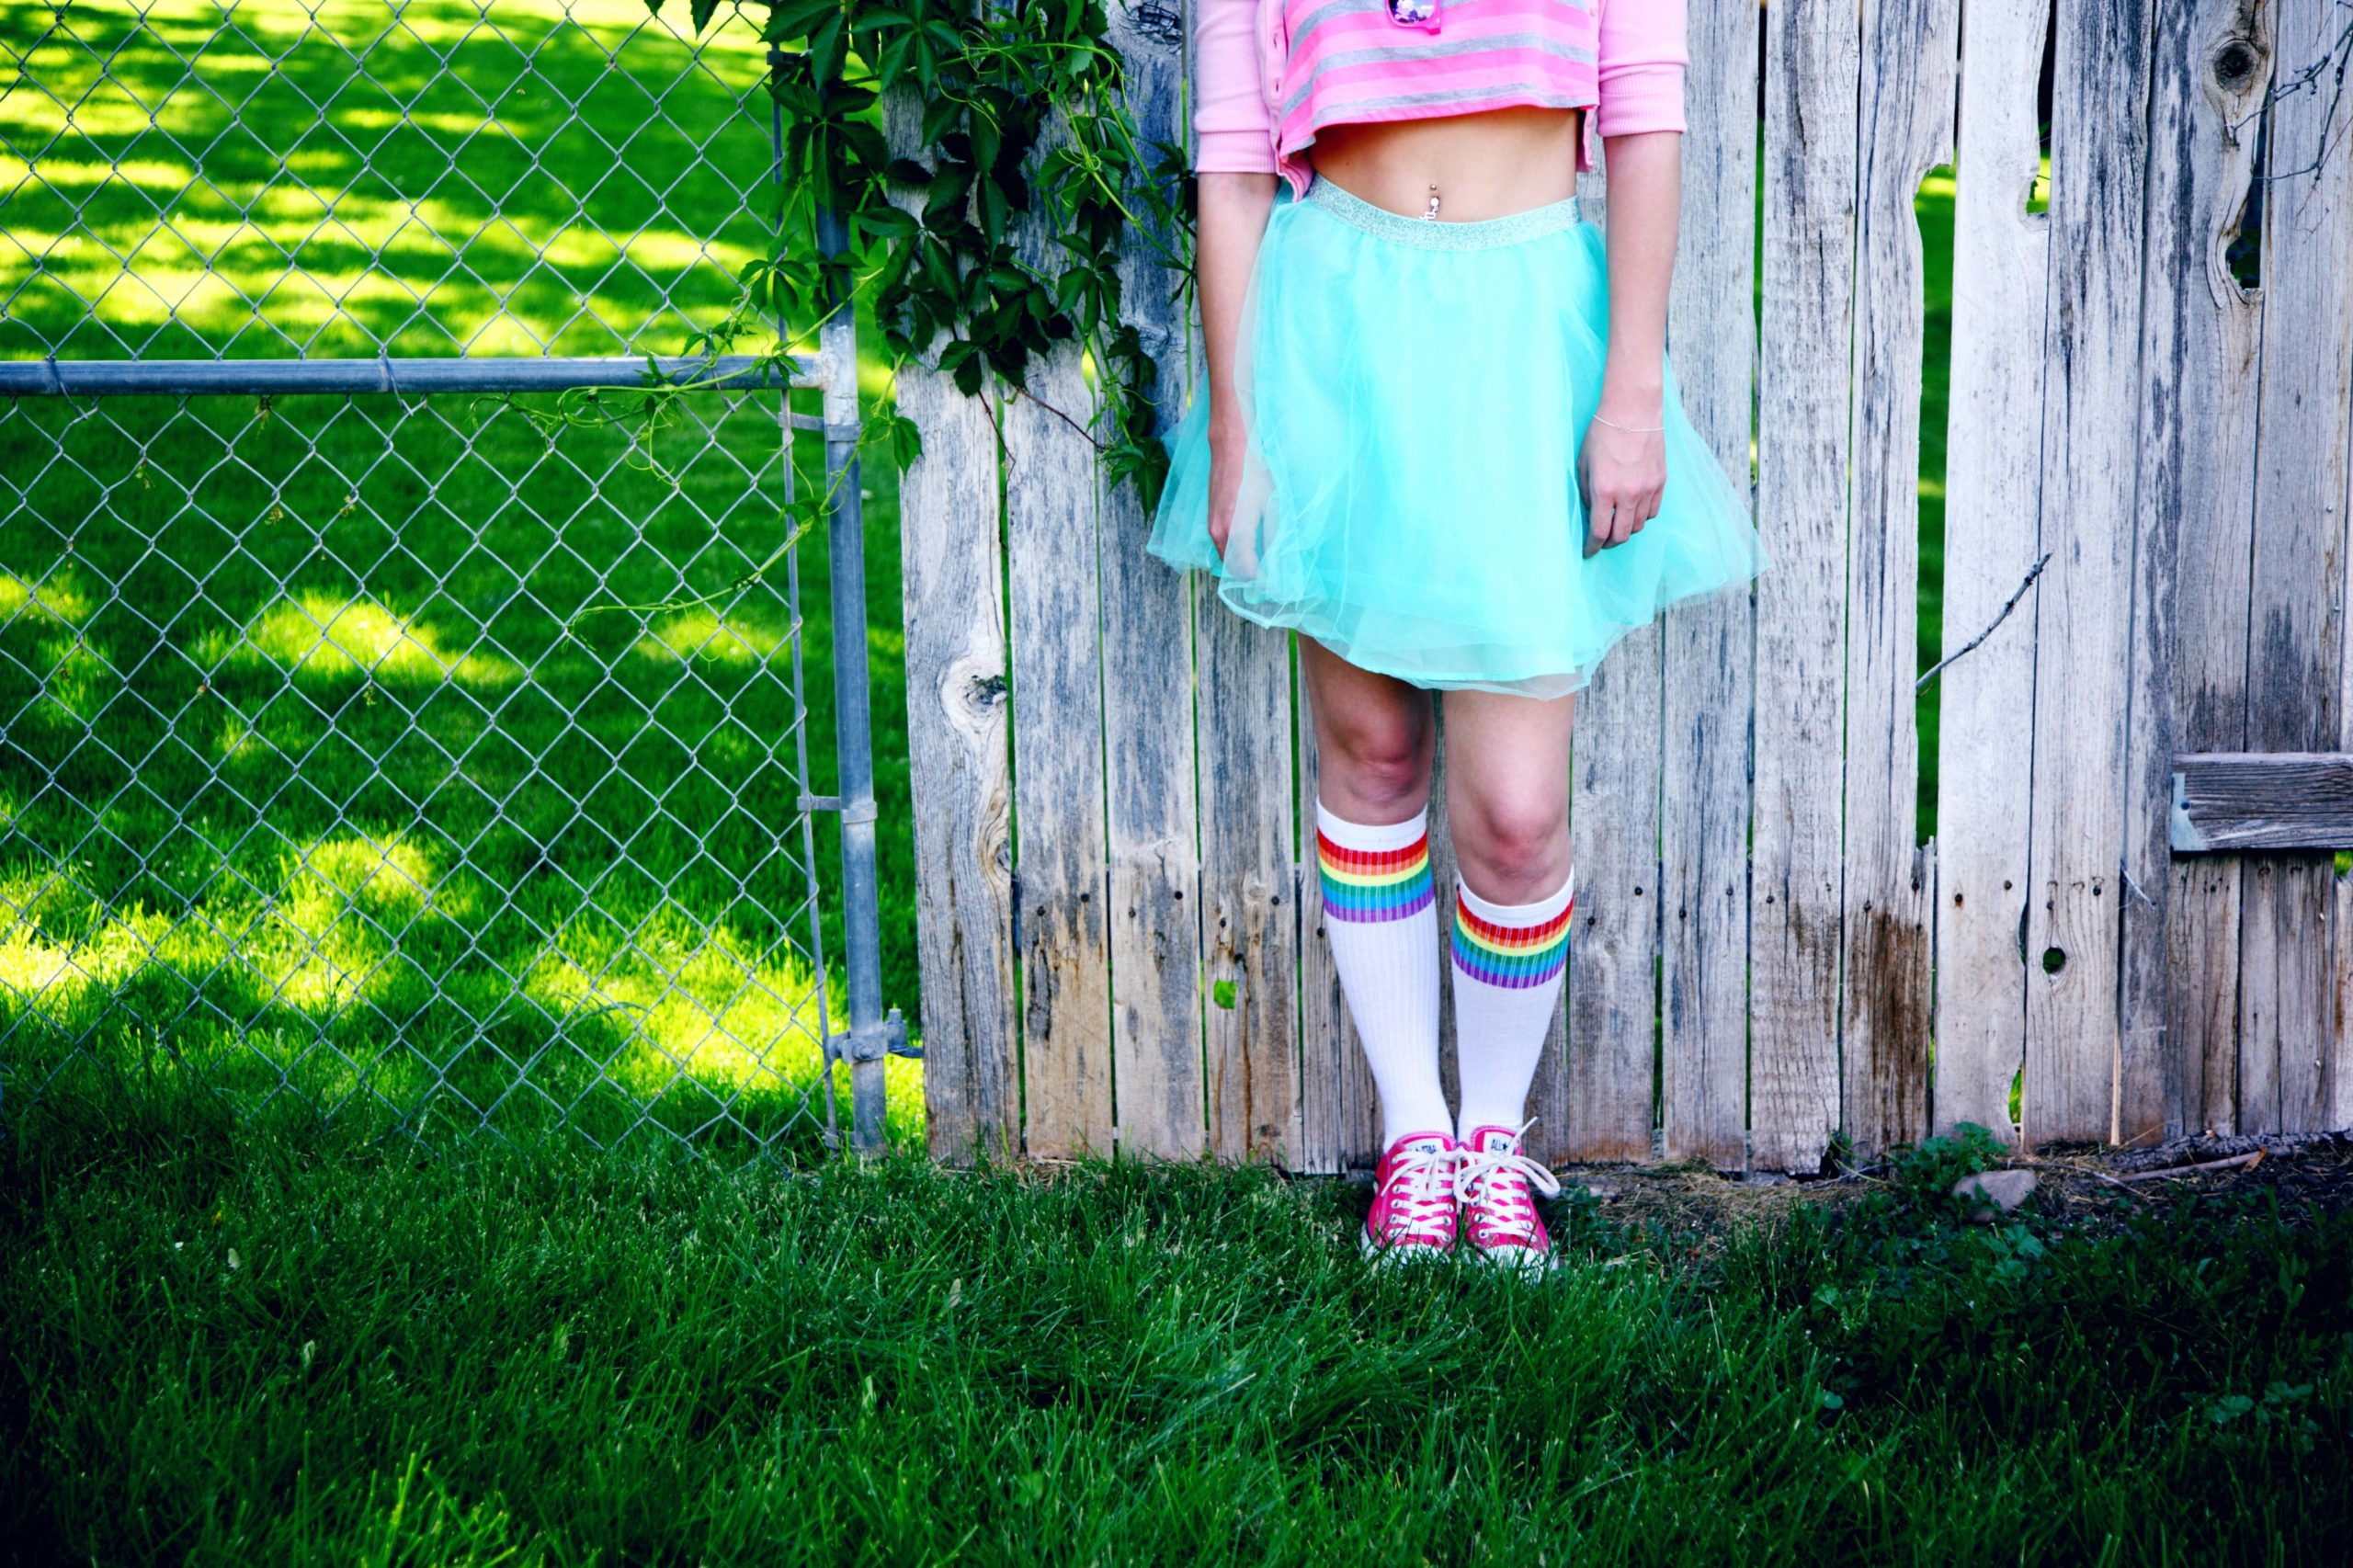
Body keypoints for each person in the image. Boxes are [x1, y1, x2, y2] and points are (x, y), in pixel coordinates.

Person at [1148, 0, 1770, 1271]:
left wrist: (1633, 393)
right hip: (1334, 332)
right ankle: (1418, 1144)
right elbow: (1230, 156)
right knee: (1371, 750)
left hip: (1521, 334)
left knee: (1516, 813)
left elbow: (1646, 116)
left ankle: (1496, 1138)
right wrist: (1236, 426)